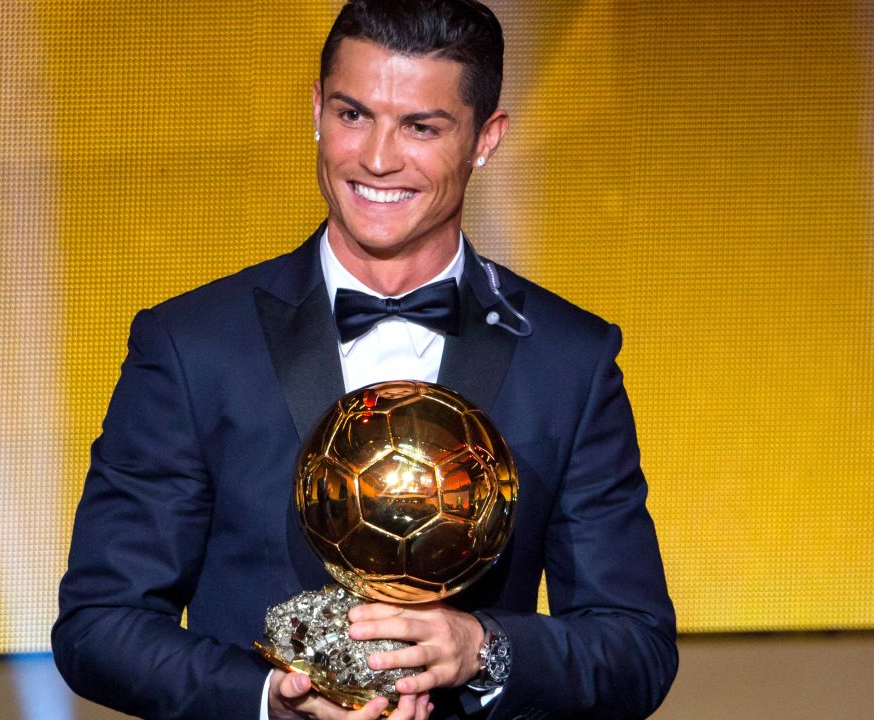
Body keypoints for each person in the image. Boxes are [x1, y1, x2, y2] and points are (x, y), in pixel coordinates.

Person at [52, 1, 678, 718]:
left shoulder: (569, 359)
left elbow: (636, 647)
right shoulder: (192, 346)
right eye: (354, 115)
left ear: (485, 138)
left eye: (421, 127)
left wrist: (481, 649)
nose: (377, 158)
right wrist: (270, 701)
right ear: (317, 109)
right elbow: (99, 624)